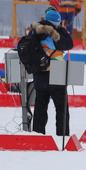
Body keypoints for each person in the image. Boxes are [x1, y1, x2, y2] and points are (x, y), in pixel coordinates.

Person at [29, 8, 74, 136]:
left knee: (40, 107)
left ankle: (38, 134)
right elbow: (69, 44)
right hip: (56, 74)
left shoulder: (34, 32)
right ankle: (62, 135)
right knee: (61, 108)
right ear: (57, 23)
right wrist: (62, 29)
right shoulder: (55, 34)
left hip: (39, 75)